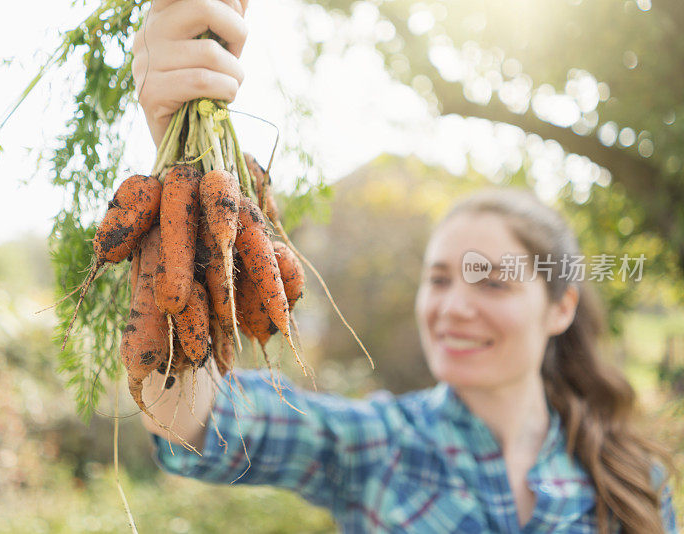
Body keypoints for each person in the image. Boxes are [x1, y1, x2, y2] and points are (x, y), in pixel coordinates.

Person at [130, 2, 678, 532]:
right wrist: (182, 194)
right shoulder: (377, 443)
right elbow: (197, 420)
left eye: (491, 282)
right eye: (438, 279)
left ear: (561, 308)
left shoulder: (633, 481)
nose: (453, 306)